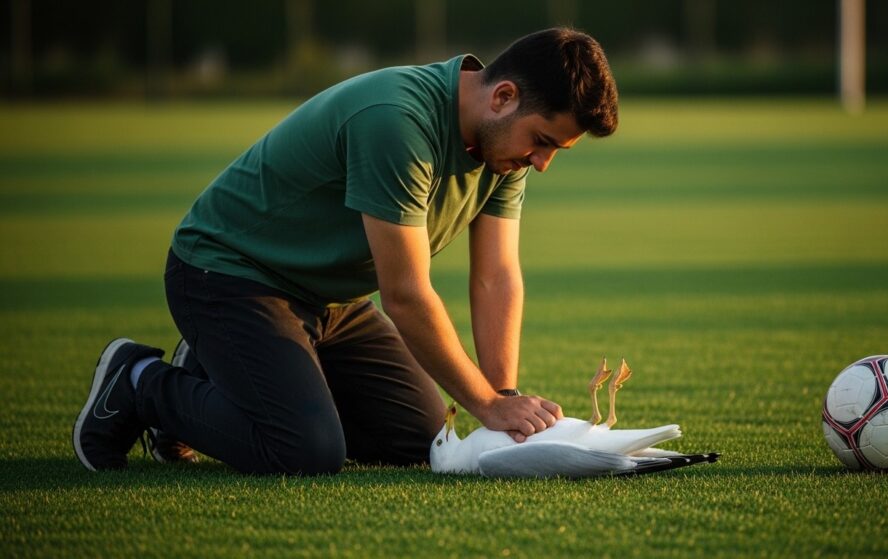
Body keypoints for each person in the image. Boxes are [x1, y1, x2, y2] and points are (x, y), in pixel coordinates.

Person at [72, 27, 619, 474]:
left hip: (332, 300)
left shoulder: (503, 148)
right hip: (230, 275)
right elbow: (405, 295)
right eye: (543, 142)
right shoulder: (398, 121)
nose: (542, 163)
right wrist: (487, 405)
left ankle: (215, 370)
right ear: (503, 97)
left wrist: (503, 397)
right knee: (305, 451)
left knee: (423, 442)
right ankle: (139, 382)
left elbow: (496, 275)